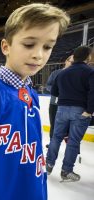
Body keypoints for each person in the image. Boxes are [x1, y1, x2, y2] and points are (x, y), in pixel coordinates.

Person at [0, 3, 70, 200]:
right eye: (29, 44)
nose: (39, 55)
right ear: (5, 46)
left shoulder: (31, 93)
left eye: (48, 47)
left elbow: (35, 157)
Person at [46, 46, 94, 182]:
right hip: (80, 111)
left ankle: (49, 164)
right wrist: (90, 110)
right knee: (73, 141)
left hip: (61, 109)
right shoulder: (90, 71)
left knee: (56, 138)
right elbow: (93, 92)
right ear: (88, 57)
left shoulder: (62, 72)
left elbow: (54, 92)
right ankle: (66, 171)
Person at [46, 55, 74, 145]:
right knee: (53, 124)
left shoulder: (76, 74)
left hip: (70, 105)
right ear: (66, 61)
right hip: (55, 103)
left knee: (71, 126)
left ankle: (72, 146)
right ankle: (52, 143)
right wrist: (56, 92)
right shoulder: (55, 73)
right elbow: (48, 85)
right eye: (72, 62)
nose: (73, 64)